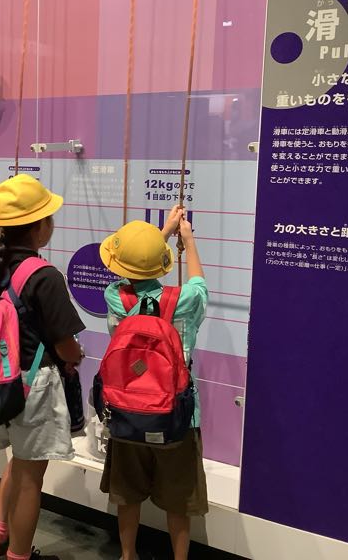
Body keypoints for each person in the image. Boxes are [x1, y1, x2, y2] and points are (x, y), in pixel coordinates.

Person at [0, 175, 85, 560]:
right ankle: (18, 555)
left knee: (18, 462)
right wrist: (76, 356)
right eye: (48, 217)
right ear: (38, 227)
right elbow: (66, 347)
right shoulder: (43, 275)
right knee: (30, 480)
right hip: (32, 385)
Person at [99, 207, 208, 560]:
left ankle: (127, 554)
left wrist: (159, 235)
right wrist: (186, 238)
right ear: (162, 264)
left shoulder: (115, 297)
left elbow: (132, 270)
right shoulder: (185, 300)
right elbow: (200, 285)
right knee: (179, 499)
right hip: (176, 416)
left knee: (127, 494)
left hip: (126, 412)